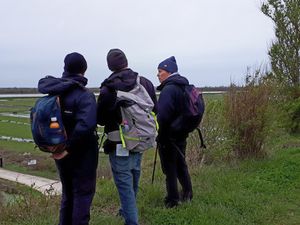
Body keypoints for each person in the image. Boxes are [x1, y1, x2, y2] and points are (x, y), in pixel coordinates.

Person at [97, 48, 157, 225]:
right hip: (141, 138)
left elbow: (100, 119)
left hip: (119, 142)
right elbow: (155, 109)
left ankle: (131, 220)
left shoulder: (108, 88)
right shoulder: (144, 82)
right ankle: (125, 211)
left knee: (124, 184)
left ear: (110, 66)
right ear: (126, 62)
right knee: (134, 173)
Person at [38, 52, 99, 225]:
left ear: (65, 69)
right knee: (83, 194)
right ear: (84, 70)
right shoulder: (84, 94)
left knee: (68, 194)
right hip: (82, 154)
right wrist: (69, 149)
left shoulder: (55, 91)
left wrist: (62, 149)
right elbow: (86, 126)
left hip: (59, 151)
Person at [156, 56, 193, 208]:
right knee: (180, 165)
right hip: (181, 133)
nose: (158, 75)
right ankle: (188, 194)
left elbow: (163, 116)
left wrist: (160, 133)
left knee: (170, 169)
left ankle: (172, 201)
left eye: (160, 71)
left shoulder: (169, 89)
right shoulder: (183, 86)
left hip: (168, 136)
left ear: (169, 71)